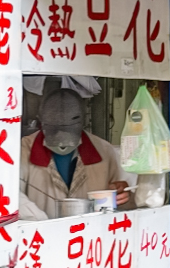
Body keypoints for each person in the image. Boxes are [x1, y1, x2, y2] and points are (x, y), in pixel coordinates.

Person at [20, 88, 130, 220]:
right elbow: (10, 196)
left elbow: (124, 201)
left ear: (82, 122)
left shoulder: (104, 151)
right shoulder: (23, 150)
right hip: (38, 237)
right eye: (54, 131)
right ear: (41, 122)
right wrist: (41, 223)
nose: (62, 142)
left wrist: (124, 196)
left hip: (91, 237)